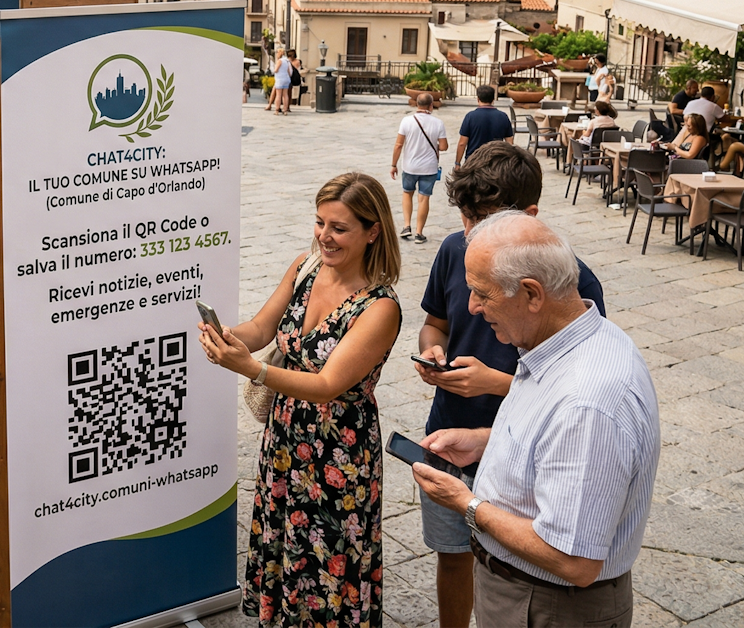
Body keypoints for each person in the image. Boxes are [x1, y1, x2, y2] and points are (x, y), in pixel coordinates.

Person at [414, 213, 658, 628]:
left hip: (547, 606)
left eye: (482, 293)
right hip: (529, 595)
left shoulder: (587, 404)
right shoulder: (572, 339)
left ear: (531, 294)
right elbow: (555, 441)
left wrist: (466, 504)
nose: (472, 307)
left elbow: (573, 559)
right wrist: (485, 440)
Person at [199, 172, 402, 626]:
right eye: (320, 222)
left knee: (328, 552)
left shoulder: (380, 307)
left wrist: (251, 369)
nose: (324, 236)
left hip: (338, 452)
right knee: (286, 538)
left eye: (339, 228)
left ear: (372, 232)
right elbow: (262, 327)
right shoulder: (305, 268)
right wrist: (228, 336)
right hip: (286, 436)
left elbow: (328, 384)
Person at [391, 91, 448, 243]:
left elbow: (398, 145)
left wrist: (393, 164)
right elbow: (444, 146)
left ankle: (406, 226)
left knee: (407, 193)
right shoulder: (438, 123)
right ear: (431, 106)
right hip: (429, 168)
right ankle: (419, 233)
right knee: (424, 198)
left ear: (417, 104)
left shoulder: (406, 121)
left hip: (409, 166)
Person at [454, 84, 514, 165]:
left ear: (478, 99)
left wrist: (457, 163)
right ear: (493, 99)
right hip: (496, 162)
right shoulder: (503, 116)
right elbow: (509, 143)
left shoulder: (470, 116)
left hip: (474, 161)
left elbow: (462, 143)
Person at [268, 49, 292, 115]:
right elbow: (289, 72)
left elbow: (276, 70)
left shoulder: (280, 61)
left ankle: (277, 110)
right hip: (286, 79)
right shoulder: (287, 61)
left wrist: (273, 69)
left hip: (280, 79)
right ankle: (285, 110)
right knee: (285, 95)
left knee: (278, 95)